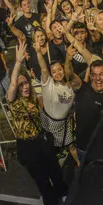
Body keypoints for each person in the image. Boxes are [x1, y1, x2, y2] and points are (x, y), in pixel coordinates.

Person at [7, 41, 68, 205]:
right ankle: (50, 202)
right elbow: (11, 87)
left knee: (54, 168)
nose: (24, 86)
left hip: (41, 139)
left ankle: (62, 192)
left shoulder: (33, 98)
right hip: (27, 146)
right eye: (21, 85)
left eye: (25, 83)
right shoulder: (13, 102)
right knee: (41, 177)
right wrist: (18, 62)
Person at [33, 34, 80, 167]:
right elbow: (43, 68)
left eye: (60, 69)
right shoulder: (49, 85)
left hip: (64, 123)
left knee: (71, 146)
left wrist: (73, 115)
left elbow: (72, 105)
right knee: (49, 150)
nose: (58, 73)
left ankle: (79, 164)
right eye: (54, 71)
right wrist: (38, 52)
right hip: (48, 124)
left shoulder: (71, 85)